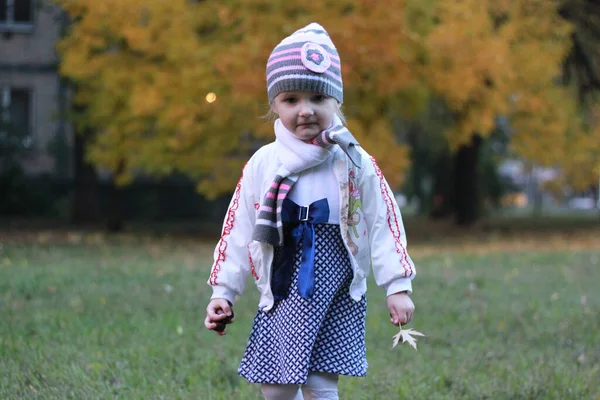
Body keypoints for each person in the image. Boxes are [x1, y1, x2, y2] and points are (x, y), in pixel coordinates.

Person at [205, 22, 416, 400]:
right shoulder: (264, 163)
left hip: (336, 284)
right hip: (285, 282)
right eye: (291, 100)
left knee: (320, 383)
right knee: (277, 388)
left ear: (336, 101)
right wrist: (224, 291)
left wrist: (397, 285)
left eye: (318, 98)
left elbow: (383, 219)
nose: (306, 110)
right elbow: (239, 227)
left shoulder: (352, 159)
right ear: (274, 105)